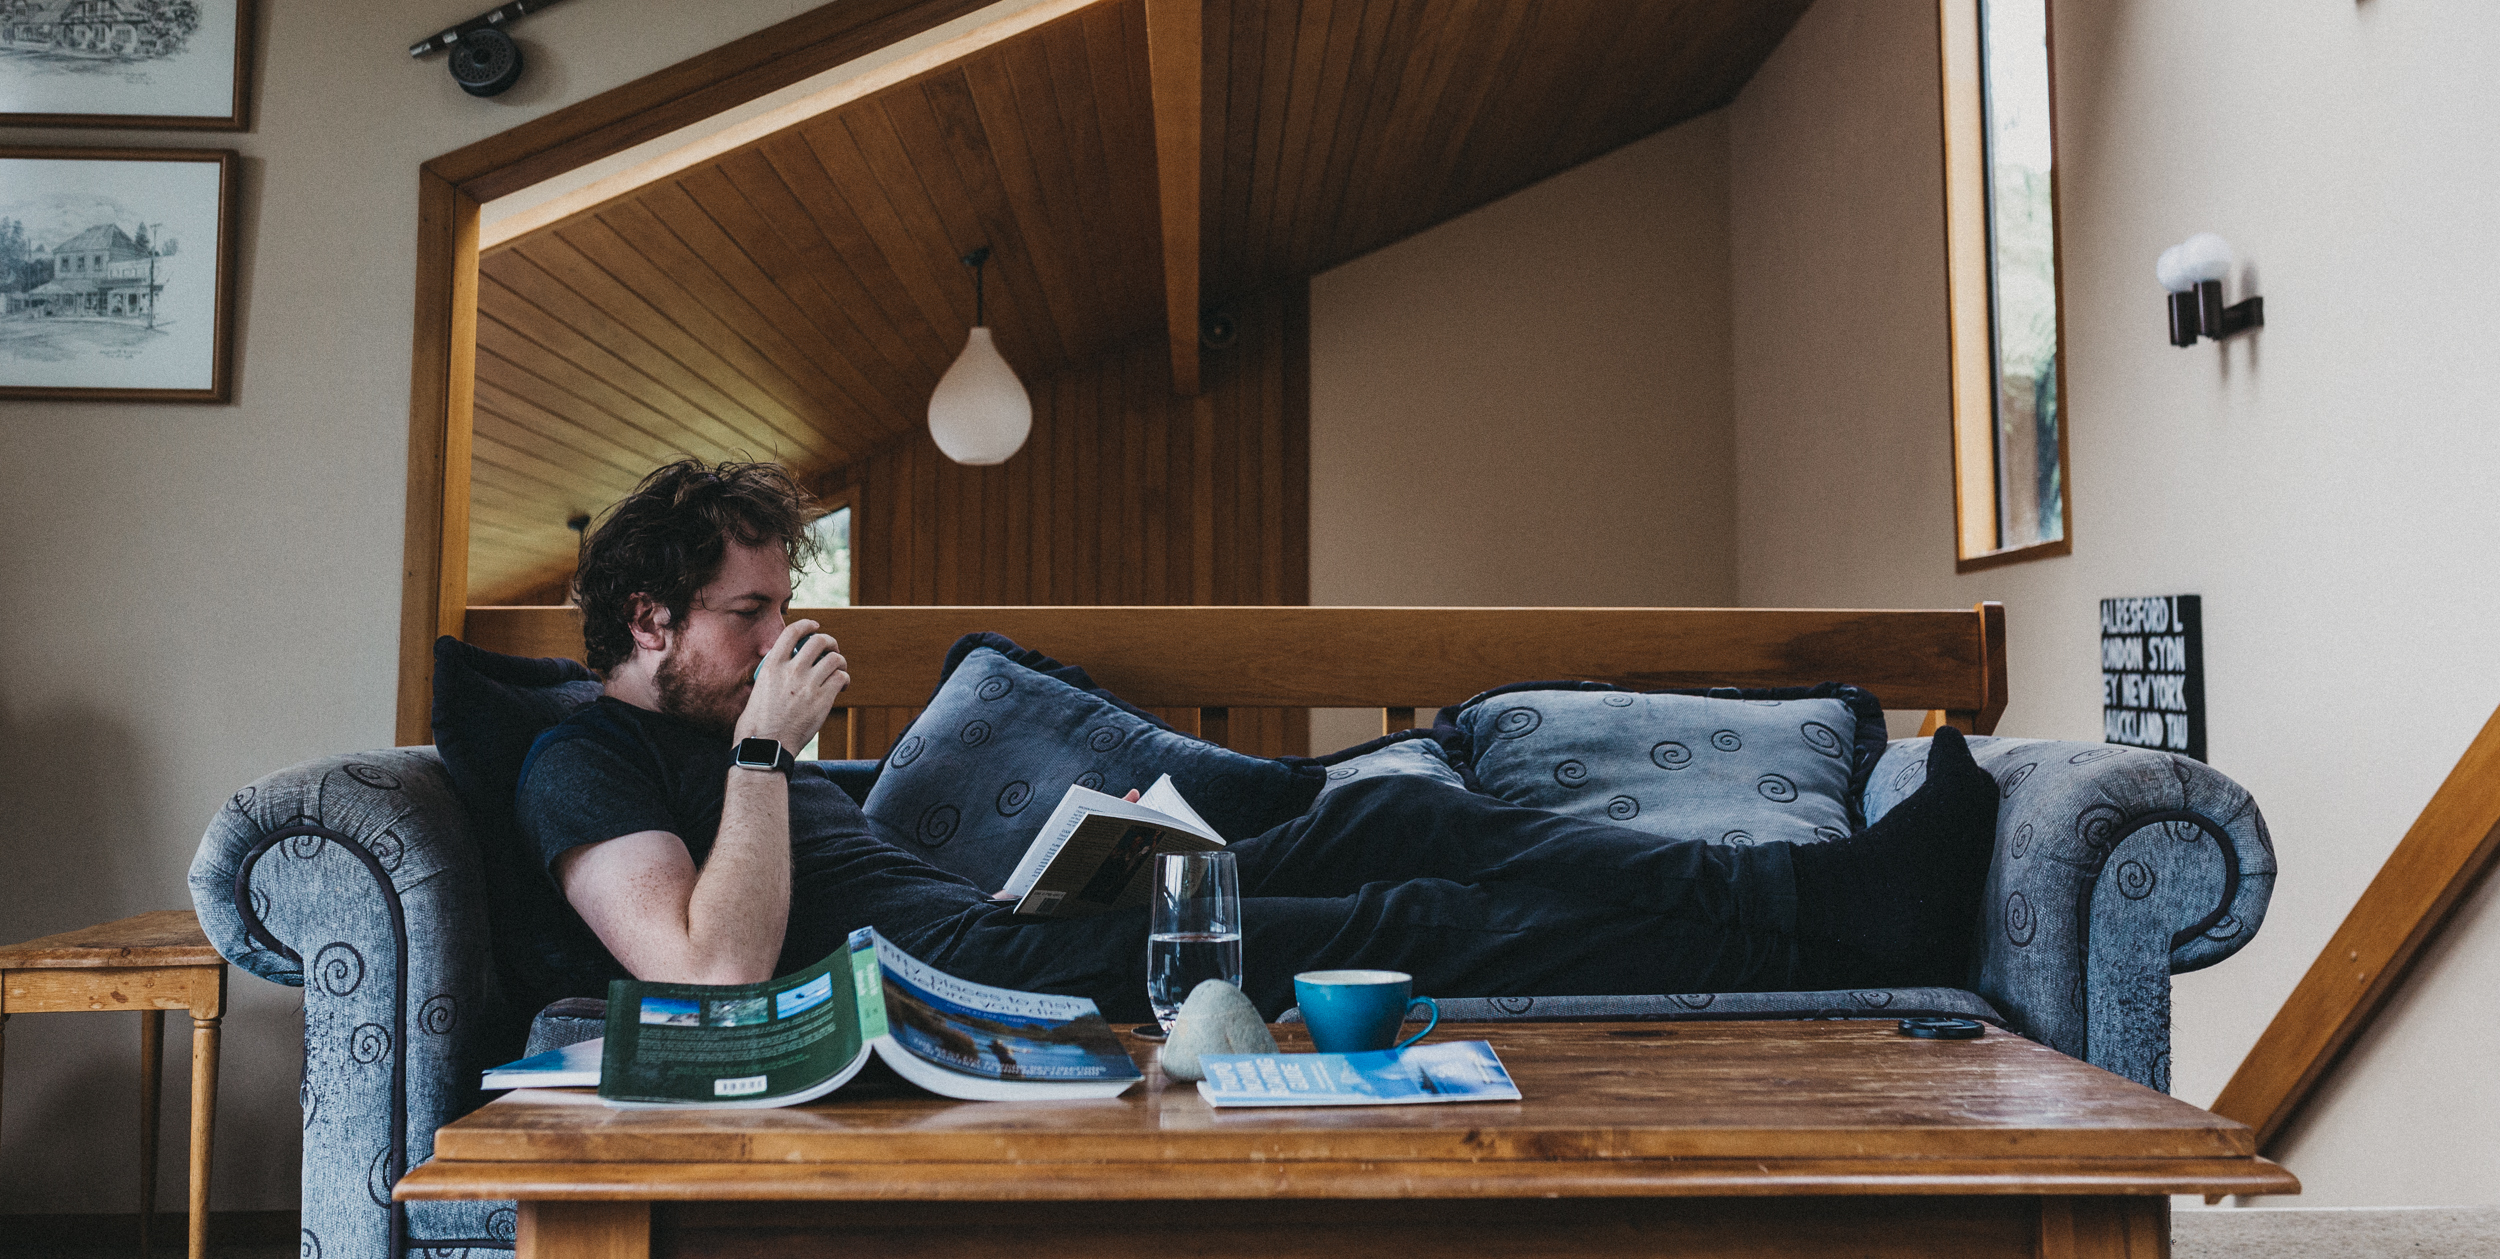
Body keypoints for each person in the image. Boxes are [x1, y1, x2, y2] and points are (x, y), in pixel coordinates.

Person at [518, 460, 2002, 1022]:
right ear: (649, 622)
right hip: (979, 983)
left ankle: (1811, 901)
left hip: (1014, 919)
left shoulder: (729, 737)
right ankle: (1833, 943)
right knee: (1402, 920)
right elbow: (705, 965)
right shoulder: (587, 763)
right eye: (750, 612)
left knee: (1387, 815)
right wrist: (773, 754)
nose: (780, 638)